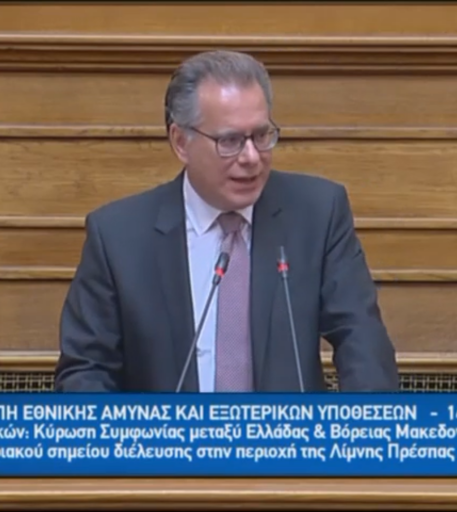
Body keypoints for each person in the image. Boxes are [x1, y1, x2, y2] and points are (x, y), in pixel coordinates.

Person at [55, 50, 398, 393]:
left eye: (261, 136)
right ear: (181, 142)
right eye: (230, 141)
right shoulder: (119, 237)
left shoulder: (318, 213)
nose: (251, 157)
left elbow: (361, 340)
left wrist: (363, 420)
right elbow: (86, 370)